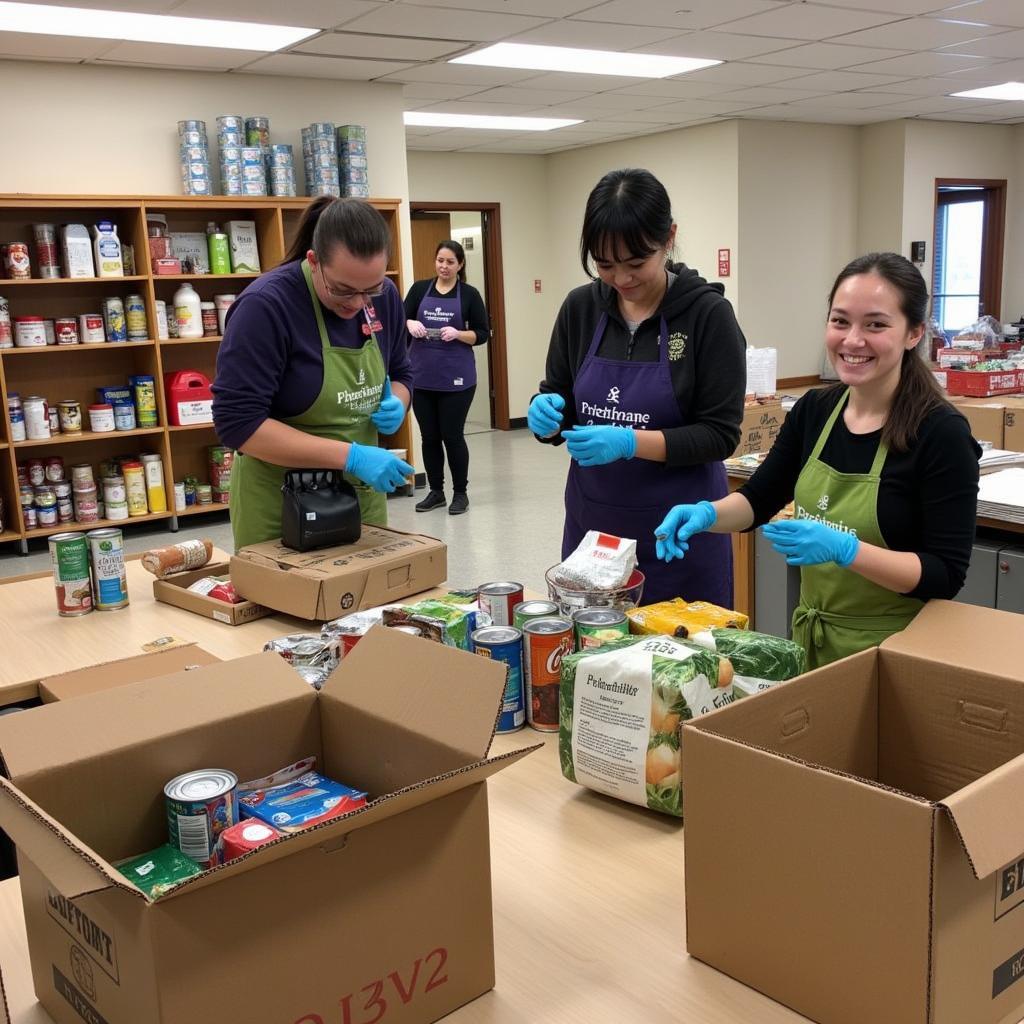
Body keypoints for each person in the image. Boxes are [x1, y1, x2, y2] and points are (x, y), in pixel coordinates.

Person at [654, 252, 980, 669]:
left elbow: (944, 575)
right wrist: (705, 514)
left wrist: (846, 550)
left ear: (914, 332)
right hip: (814, 642)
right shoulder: (815, 411)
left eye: (876, 324)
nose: (853, 340)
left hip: (896, 651)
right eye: (840, 321)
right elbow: (758, 499)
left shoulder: (941, 434)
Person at [528, 168, 746, 607]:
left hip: (678, 533)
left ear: (669, 238)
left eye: (635, 263)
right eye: (604, 265)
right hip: (595, 529)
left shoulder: (707, 317)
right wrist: (546, 413)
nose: (621, 279)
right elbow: (562, 397)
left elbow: (720, 434)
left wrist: (631, 441)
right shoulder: (580, 309)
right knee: (595, 663)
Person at [213, 196, 414, 549]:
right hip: (281, 503)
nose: (357, 303)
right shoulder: (266, 307)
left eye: (371, 290)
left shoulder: (384, 297)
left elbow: (401, 372)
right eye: (343, 290)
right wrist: (351, 456)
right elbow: (238, 425)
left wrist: (398, 399)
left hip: (358, 495)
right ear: (313, 261)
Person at [404, 239, 490, 515]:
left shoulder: (469, 294)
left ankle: (460, 493)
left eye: (450, 262)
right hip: (422, 376)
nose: (444, 266)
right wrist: (410, 323)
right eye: (440, 260)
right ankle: (436, 491)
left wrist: (458, 334)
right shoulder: (419, 290)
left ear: (460, 265)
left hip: (457, 379)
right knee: (429, 437)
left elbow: (482, 333)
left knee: (452, 436)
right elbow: (400, 320)